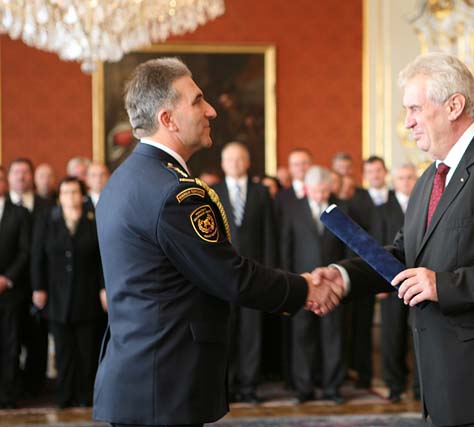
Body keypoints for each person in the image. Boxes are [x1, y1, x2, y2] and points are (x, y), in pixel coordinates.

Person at [312, 52, 474, 427]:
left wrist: (442, 285)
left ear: (454, 106)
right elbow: (404, 256)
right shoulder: (430, 178)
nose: (407, 122)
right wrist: (344, 277)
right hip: (448, 382)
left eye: (414, 108)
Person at [92, 57, 340, 427]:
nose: (211, 110)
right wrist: (304, 288)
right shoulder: (174, 193)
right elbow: (230, 276)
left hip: (141, 377)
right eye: (197, 101)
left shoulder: (124, 179)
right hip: (165, 385)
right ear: (168, 119)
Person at [31, 177, 106, 408]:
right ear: (59, 197)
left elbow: (102, 259)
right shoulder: (47, 220)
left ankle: (85, 396)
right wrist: (38, 287)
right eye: (65, 192)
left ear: (82, 196)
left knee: (87, 350)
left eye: (74, 192)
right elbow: (37, 256)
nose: (70, 197)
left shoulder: (93, 219)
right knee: (63, 351)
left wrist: (104, 288)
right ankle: (64, 396)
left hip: (87, 295)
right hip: (56, 295)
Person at [213, 142, 278, 404]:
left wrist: (271, 272)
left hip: (254, 274)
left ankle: (249, 386)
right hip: (222, 275)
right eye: (230, 159)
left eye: (240, 158)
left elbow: (270, 235)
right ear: (222, 163)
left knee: (252, 332)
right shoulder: (212, 192)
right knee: (225, 331)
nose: (235, 163)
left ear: (248, 162)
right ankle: (226, 386)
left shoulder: (262, 193)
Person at [280, 166, 347, 404]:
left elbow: (347, 248)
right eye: (316, 191)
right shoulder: (293, 210)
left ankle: (333, 387)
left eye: (324, 191)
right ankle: (304, 387)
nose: (321, 196)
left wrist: (343, 277)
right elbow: (286, 247)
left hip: (332, 284)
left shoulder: (340, 209)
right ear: (307, 189)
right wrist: (289, 281)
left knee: (333, 336)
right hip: (302, 284)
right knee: (302, 336)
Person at [371, 163, 418, 403]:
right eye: (401, 178)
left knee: (419, 335)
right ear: (394, 181)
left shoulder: (425, 205)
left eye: (410, 177)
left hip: (420, 281)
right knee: (392, 335)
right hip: (391, 282)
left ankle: (420, 388)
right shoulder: (382, 210)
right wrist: (378, 281)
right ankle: (394, 385)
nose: (406, 182)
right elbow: (376, 246)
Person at [7, 157, 52, 398]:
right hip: (11, 286)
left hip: (40, 284)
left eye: (25, 172)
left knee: (37, 338)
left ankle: (36, 386)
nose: (21, 176)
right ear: (9, 177)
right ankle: (13, 385)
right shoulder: (4, 207)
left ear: (31, 177)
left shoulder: (46, 205)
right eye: (16, 172)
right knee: (10, 340)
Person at [346, 155, 391, 389]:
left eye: (378, 171)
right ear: (365, 176)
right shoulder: (355, 202)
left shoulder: (396, 198)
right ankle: (363, 375)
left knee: (394, 329)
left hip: (394, 270)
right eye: (370, 172)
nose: (375, 175)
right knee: (362, 326)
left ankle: (394, 378)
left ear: (385, 172)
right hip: (365, 270)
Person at [0, 166, 31, 409]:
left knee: (10, 345)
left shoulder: (19, 212)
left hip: (10, 291)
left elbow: (24, 251)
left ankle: (7, 395)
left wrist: (7, 278)